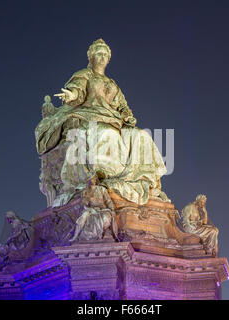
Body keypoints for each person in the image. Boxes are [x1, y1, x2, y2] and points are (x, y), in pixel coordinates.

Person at [35, 39, 168, 207]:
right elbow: (77, 91)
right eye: (99, 53)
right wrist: (72, 95)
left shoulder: (112, 84)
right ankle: (105, 175)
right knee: (108, 134)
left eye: (105, 54)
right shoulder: (84, 75)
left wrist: (127, 116)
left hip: (115, 122)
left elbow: (122, 106)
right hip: (90, 120)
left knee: (141, 135)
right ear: (91, 57)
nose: (102, 57)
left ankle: (141, 179)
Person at [69, 174, 118, 242]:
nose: (93, 180)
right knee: (83, 217)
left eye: (94, 178)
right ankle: (75, 236)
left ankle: (104, 233)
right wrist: (91, 209)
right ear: (88, 180)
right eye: (91, 179)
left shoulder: (102, 189)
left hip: (102, 210)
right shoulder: (85, 191)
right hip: (90, 210)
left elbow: (108, 201)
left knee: (106, 218)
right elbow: (84, 204)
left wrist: (112, 210)